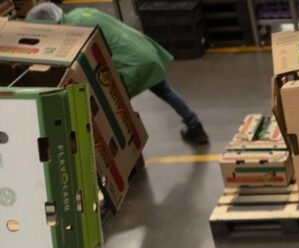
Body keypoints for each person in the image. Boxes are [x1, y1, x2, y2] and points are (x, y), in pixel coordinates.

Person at [25, 2, 209, 145]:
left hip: (131, 65)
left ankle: (130, 152)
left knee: (114, 108)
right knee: (166, 91)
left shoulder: (74, 32)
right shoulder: (80, 13)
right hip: (144, 52)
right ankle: (195, 126)